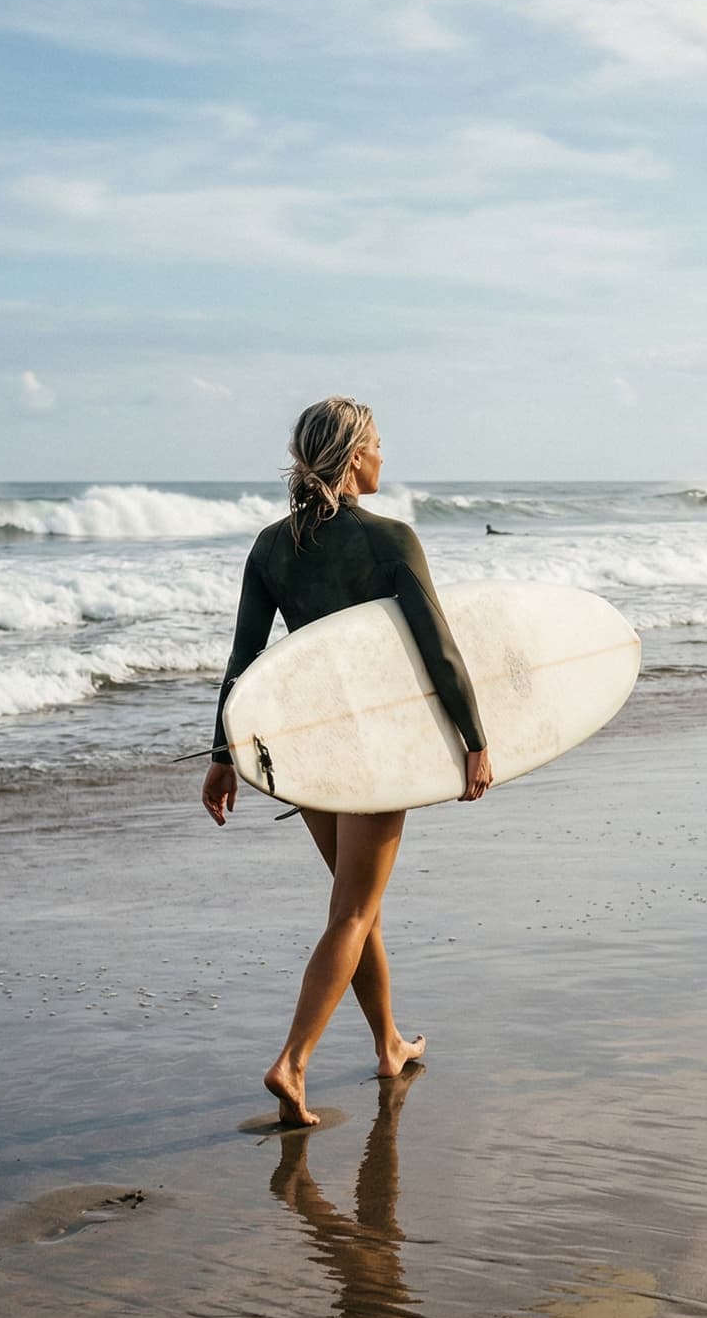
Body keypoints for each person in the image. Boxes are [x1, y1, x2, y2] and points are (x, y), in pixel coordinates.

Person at [201, 397, 493, 1127]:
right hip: (373, 748)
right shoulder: (391, 539)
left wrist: (222, 755)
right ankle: (292, 1061)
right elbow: (440, 648)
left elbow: (245, 661)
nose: (385, 457)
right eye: (378, 444)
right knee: (355, 909)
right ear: (353, 455)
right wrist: (475, 737)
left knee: (358, 908)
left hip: (306, 746)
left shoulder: (271, 547)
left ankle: (389, 1043)